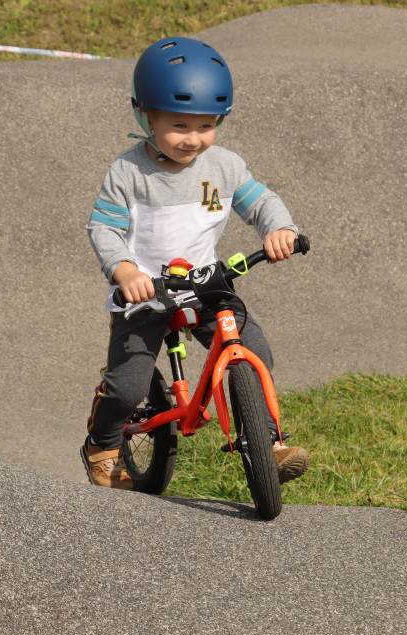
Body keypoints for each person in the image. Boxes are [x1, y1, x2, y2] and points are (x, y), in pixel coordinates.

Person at [81, 36, 310, 489]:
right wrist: (125, 272)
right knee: (128, 387)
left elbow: (259, 201)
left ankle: (266, 442)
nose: (193, 139)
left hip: (205, 284)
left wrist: (277, 228)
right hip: (144, 295)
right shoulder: (128, 173)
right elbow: (103, 229)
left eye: (207, 126)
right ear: (143, 114)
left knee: (253, 348)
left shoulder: (223, 166)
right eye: (180, 125)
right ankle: (102, 445)